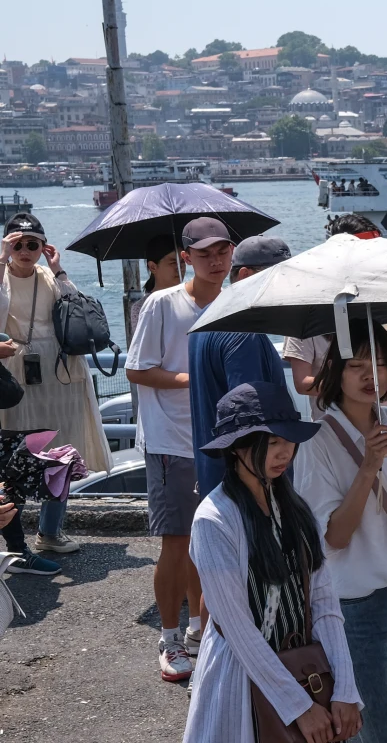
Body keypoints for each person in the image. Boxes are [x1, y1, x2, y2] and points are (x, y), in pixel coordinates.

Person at [184, 382, 363, 743]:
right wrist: (298, 707)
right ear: (237, 448)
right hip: (241, 677)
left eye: (289, 440)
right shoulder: (214, 519)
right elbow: (236, 628)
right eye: (273, 442)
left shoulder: (295, 508)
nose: (285, 453)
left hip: (305, 669)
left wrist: (345, 687)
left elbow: (324, 603)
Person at [295, 320, 387, 743]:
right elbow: (333, 538)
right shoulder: (316, 442)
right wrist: (369, 465)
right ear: (335, 372)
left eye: (380, 364)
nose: (371, 375)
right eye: (356, 366)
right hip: (358, 606)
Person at [126, 217, 233, 682]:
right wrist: (194, 379)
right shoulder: (162, 303)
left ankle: (198, 630)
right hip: (170, 440)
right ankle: (169, 637)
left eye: (223, 251)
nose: (216, 260)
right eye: (204, 253)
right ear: (186, 257)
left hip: (220, 439)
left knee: (208, 541)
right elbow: (136, 369)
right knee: (176, 542)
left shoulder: (234, 303)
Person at [0, 212, 112, 572]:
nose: (25, 251)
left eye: (32, 244)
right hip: (17, 375)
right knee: (15, 454)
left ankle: (50, 530)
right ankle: (13, 537)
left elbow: (77, 312)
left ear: (43, 246)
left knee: (63, 452)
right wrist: (1, 260)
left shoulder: (50, 276)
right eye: (17, 244)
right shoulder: (2, 276)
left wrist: (59, 269)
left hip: (61, 375)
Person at [190, 236, 292, 500]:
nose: (287, 288)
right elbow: (250, 423)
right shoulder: (244, 335)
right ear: (245, 275)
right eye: (279, 278)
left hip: (217, 480)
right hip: (250, 489)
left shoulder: (207, 317)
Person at [283, 214, 381, 416]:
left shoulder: (381, 300)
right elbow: (302, 383)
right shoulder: (307, 309)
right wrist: (350, 386)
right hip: (334, 427)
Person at [129, 235, 186, 336]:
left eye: (182, 262)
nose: (180, 267)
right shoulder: (141, 307)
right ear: (153, 267)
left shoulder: (192, 298)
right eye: (173, 263)